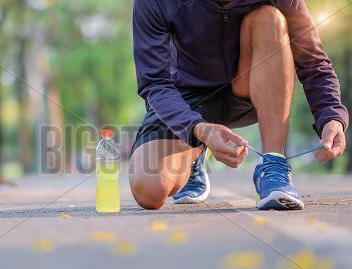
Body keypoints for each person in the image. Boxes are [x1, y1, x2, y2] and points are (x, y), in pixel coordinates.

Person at [129, 0, 349, 210]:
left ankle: (274, 165)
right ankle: (195, 151)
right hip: (187, 101)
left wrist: (331, 117)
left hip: (252, 89)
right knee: (149, 189)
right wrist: (197, 128)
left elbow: (313, 62)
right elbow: (154, 83)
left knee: (270, 18)